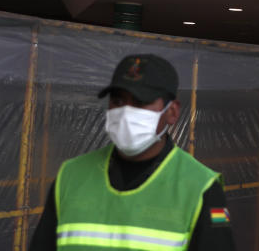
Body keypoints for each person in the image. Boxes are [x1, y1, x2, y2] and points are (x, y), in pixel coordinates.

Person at [29, 54, 235, 251]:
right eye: (118, 101)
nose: (126, 113)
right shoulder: (71, 176)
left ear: (172, 112)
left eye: (140, 102)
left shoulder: (201, 187)